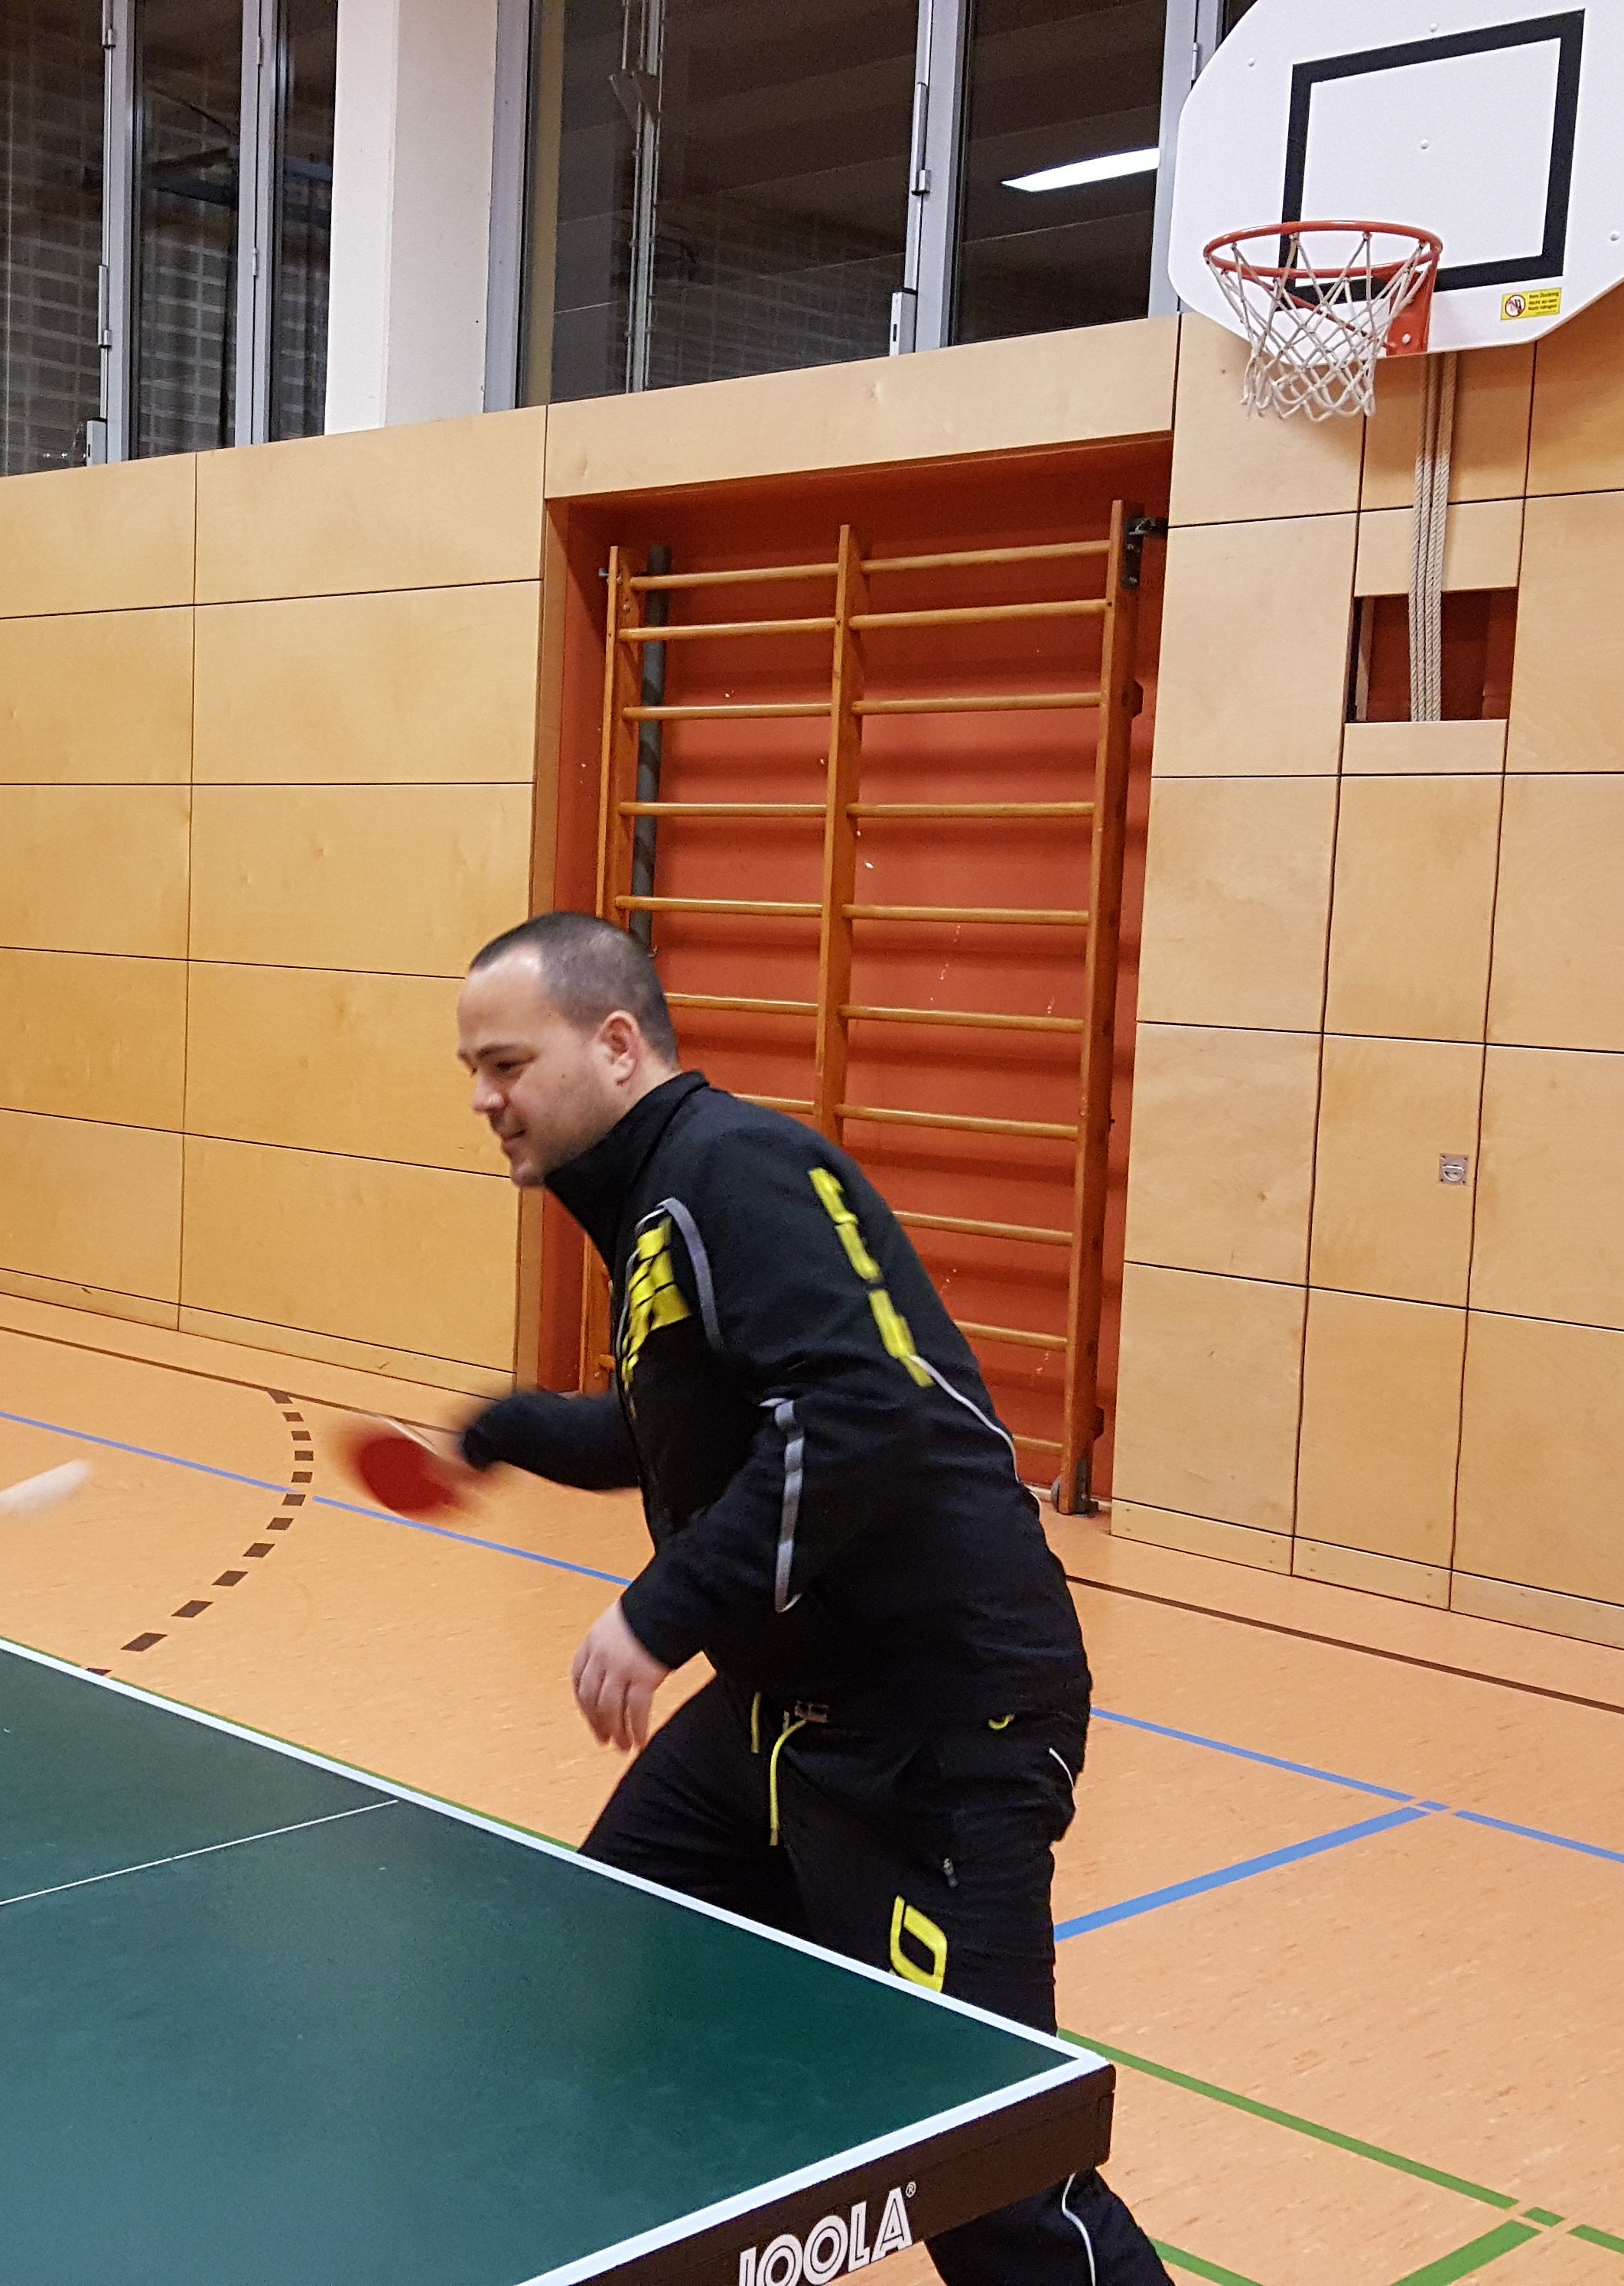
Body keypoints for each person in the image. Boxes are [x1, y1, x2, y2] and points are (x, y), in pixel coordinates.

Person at [447, 911, 1167, 2286]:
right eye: (472, 1070)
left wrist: (659, 1613)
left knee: (984, 2165)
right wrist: (511, 1427)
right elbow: (681, 1431)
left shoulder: (734, 1169)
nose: (484, 1096)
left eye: (506, 1062)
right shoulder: (656, 1213)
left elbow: (858, 1412)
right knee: (619, 1961)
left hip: (940, 1721)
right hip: (787, 1714)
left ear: (615, 1045)